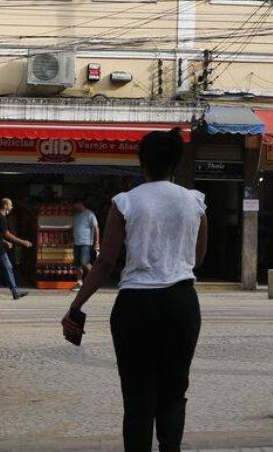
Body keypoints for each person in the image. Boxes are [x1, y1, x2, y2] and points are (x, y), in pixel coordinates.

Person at [62, 129, 207, 452]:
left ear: (142, 163)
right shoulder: (195, 202)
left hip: (135, 306)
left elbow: (105, 263)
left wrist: (76, 305)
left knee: (138, 396)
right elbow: (196, 259)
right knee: (173, 391)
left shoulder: (126, 202)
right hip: (181, 303)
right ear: (175, 164)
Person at [0, 198, 32, 300]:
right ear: (5, 206)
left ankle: (15, 291)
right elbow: (6, 234)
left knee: (8, 267)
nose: (12, 207)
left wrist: (4, 242)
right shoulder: (0, 217)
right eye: (11, 205)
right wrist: (23, 242)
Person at [71, 199, 100, 290]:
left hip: (86, 243)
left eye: (75, 204)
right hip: (76, 242)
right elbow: (74, 228)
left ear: (80, 203)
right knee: (78, 264)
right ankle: (79, 283)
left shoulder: (89, 214)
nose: (74, 207)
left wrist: (97, 242)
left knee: (85, 262)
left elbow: (96, 228)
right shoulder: (76, 215)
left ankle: (95, 281)